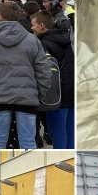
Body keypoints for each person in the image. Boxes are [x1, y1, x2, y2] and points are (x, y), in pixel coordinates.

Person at [0, 2, 52, 149]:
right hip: (27, 98)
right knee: (28, 142)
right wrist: (38, 94)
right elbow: (44, 72)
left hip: (0, 97)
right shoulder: (32, 40)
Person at [31, 10, 75, 148]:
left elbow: (44, 70)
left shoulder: (43, 43)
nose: (31, 28)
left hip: (56, 93)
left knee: (57, 131)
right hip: (72, 89)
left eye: (33, 25)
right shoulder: (66, 38)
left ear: (42, 26)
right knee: (70, 129)